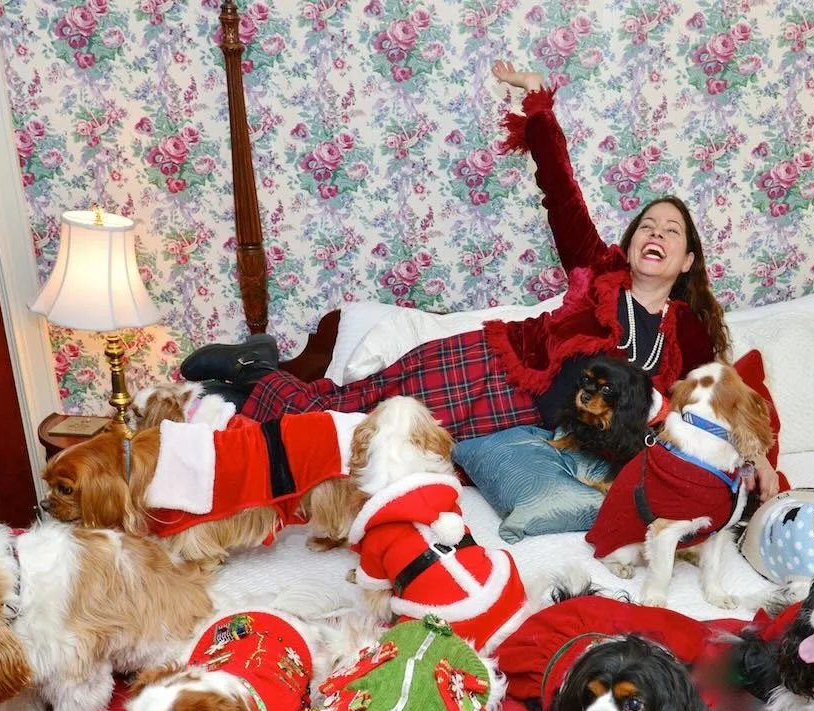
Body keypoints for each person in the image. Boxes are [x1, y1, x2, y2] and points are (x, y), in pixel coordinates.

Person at [180, 62, 731, 444]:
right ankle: (250, 376)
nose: (655, 233)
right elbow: (562, 194)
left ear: (686, 262)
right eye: (647, 225)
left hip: (518, 419)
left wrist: (753, 458)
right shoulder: (599, 270)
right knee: (351, 410)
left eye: (673, 230)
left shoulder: (687, 333)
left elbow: (721, 403)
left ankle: (235, 388)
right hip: (488, 363)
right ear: (632, 243)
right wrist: (538, 104)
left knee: (374, 440)